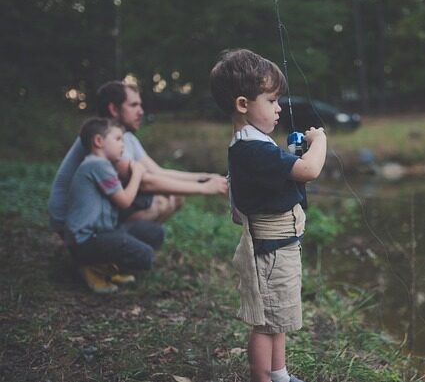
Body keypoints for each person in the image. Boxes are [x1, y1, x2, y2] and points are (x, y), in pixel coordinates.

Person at [209, 49, 327, 382]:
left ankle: (280, 375)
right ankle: (265, 379)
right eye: (272, 100)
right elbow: (308, 170)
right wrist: (320, 141)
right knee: (265, 324)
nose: (278, 108)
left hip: (280, 247)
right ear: (243, 104)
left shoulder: (254, 143)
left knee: (277, 319)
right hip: (271, 253)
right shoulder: (252, 149)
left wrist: (289, 155)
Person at [48, 81, 228, 235]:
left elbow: (158, 172)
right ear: (113, 108)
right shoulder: (104, 141)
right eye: (133, 105)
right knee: (159, 201)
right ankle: (110, 255)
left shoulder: (125, 137)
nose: (141, 111)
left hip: (96, 211)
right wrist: (204, 188)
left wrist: (205, 176)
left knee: (174, 197)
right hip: (70, 220)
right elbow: (145, 182)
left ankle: (128, 249)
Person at [65, 117, 164, 294]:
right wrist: (138, 173)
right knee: (145, 256)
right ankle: (94, 268)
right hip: (85, 241)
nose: (123, 145)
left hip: (102, 233)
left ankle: (109, 266)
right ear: (98, 141)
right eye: (118, 139)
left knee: (155, 232)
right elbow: (125, 200)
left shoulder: (101, 165)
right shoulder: (97, 165)